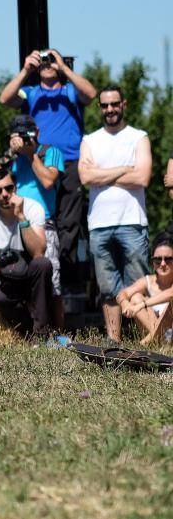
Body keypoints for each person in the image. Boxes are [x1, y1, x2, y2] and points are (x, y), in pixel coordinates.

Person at [0, 49, 96, 290]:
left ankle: (66, 272)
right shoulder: (31, 92)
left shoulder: (69, 90)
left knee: (69, 221)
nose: (47, 64)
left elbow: (91, 93)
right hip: (39, 159)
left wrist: (63, 67)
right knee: (44, 215)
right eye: (44, 61)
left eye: (51, 60)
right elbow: (5, 98)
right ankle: (40, 265)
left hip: (70, 160)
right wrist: (25, 70)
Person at [78, 85, 151, 343]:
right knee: (108, 288)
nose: (110, 109)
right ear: (100, 108)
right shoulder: (90, 140)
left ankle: (148, 338)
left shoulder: (138, 137)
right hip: (99, 223)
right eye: (105, 105)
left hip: (132, 221)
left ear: (124, 104)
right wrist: (122, 169)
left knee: (138, 284)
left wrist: (103, 175)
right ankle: (114, 342)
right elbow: (85, 176)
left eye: (114, 104)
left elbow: (142, 176)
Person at [0, 114, 66, 298]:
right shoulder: (14, 159)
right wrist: (9, 153)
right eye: (19, 135)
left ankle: (57, 327)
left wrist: (31, 154)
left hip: (43, 223)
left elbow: (48, 181)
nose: (24, 139)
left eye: (27, 133)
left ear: (36, 132)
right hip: (16, 224)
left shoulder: (50, 152)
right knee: (20, 280)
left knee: (51, 285)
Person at [0, 168, 58, 341]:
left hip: (29, 273)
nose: (5, 194)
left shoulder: (33, 208)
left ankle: (42, 334)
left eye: (9, 188)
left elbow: (38, 252)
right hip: (5, 277)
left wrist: (21, 217)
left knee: (43, 264)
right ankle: (28, 332)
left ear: (16, 188)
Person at [116, 233, 173, 346]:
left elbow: (170, 294)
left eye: (168, 259)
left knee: (170, 305)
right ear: (152, 262)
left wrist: (142, 305)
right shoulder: (147, 281)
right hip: (157, 337)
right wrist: (125, 304)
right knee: (135, 297)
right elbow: (122, 294)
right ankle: (157, 342)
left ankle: (144, 344)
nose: (162, 264)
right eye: (157, 259)